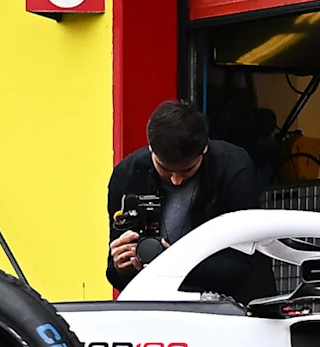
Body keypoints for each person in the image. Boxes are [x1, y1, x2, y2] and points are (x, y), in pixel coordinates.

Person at [107, 98, 273, 299]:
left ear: (204, 149)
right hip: (159, 304)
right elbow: (117, 274)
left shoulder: (234, 167)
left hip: (235, 303)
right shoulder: (127, 175)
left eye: (187, 170)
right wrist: (121, 266)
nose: (176, 180)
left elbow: (242, 261)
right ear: (151, 148)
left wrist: (173, 260)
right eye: (165, 170)